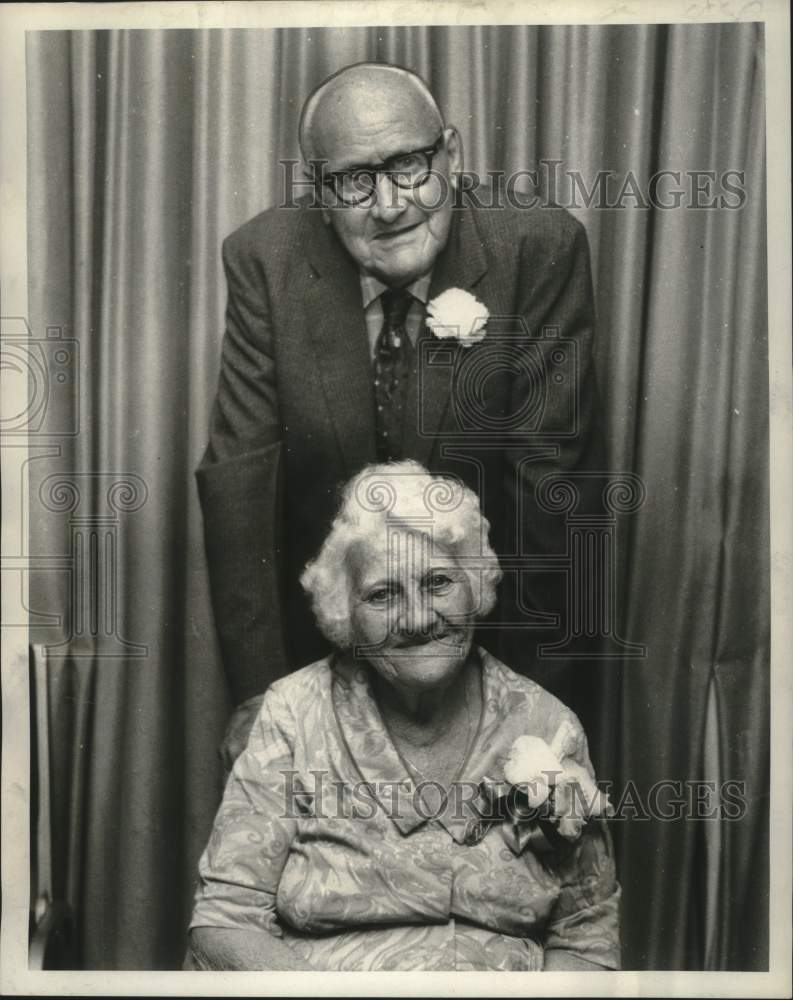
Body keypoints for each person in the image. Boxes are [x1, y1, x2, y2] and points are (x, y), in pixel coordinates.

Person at [197, 62, 606, 765]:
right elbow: (240, 493)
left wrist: (534, 719)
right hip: (326, 664)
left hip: (492, 656)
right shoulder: (263, 260)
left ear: (452, 154)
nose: (389, 204)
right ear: (320, 192)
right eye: (354, 180)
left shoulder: (536, 249)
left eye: (411, 165)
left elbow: (554, 499)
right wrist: (266, 706)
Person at [186, 462, 620, 971]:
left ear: (475, 587)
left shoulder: (545, 722)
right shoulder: (294, 713)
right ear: (345, 613)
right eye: (382, 594)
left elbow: (587, 933)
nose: (415, 619)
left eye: (437, 582)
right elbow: (224, 921)